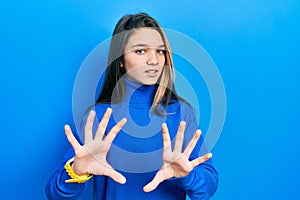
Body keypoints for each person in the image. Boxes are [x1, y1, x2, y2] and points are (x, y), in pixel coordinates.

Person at [46, 13, 218, 199]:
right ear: (120, 60)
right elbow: (55, 194)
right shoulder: (99, 117)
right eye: (140, 51)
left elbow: (206, 190)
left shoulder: (180, 114)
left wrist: (188, 177)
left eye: (160, 51)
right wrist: (77, 172)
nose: (153, 60)